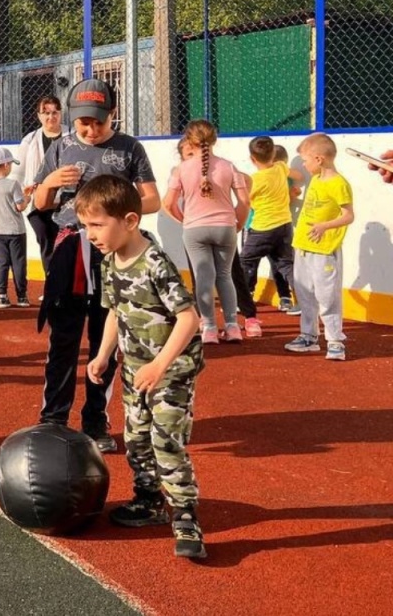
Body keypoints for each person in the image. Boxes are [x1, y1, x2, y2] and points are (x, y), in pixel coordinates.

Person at [79, 175, 207, 560]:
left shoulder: (154, 263)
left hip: (172, 368)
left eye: (97, 225)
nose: (90, 234)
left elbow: (189, 318)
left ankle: (185, 517)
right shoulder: (108, 262)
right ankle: (149, 501)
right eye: (86, 226)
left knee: (165, 440)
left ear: (130, 220)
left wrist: (159, 364)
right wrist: (103, 355)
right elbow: (116, 312)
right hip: (135, 368)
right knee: (135, 441)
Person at [31, 78, 160, 453]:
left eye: (98, 121)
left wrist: (117, 200)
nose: (89, 129)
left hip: (113, 253)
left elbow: (152, 200)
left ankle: (95, 420)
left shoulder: (129, 148)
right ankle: (53, 418)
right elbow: (41, 203)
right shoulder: (61, 147)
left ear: (113, 114)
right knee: (63, 339)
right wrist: (52, 182)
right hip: (71, 249)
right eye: (83, 121)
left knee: (106, 338)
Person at [162, 120, 249, 343]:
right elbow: (244, 201)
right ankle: (232, 326)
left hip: (195, 228)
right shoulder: (228, 166)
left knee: (203, 278)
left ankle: (209, 327)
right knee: (224, 275)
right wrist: (237, 223)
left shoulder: (182, 169)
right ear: (214, 139)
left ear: (190, 140)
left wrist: (185, 221)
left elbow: (168, 203)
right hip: (225, 227)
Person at [284, 133, 354, 361]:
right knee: (304, 293)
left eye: (305, 160)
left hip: (324, 250)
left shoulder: (339, 183)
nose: (303, 165)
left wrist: (325, 226)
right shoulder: (315, 180)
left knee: (327, 296)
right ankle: (308, 336)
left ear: (319, 158)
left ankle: (335, 341)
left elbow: (348, 215)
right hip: (303, 246)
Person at [239, 136, 298, 318]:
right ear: (274, 154)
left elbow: (246, 202)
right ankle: (305, 299)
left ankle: (242, 300)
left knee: (244, 261)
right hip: (285, 225)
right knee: (286, 264)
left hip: (262, 227)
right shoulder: (280, 168)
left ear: (252, 159)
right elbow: (298, 175)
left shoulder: (254, 179)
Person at [15, 96, 64, 278]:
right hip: (38, 203)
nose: (51, 117)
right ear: (39, 116)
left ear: (60, 113)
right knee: (46, 243)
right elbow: (18, 172)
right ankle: (51, 283)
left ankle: (63, 287)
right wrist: (22, 197)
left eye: (55, 112)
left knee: (65, 244)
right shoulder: (30, 140)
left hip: (65, 203)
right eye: (46, 113)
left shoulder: (71, 136)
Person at [0, 146, 31, 308]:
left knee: (1, 263)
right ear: (5, 165)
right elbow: (20, 207)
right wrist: (27, 197)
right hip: (15, 230)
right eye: (10, 164)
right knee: (18, 263)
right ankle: (21, 296)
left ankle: (2, 296)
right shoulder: (12, 184)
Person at [269, 144, 303, 314]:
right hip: (264, 224)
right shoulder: (262, 177)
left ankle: (286, 297)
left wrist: (291, 194)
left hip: (276, 225)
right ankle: (247, 294)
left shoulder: (285, 177)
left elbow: (298, 176)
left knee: (280, 263)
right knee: (250, 262)